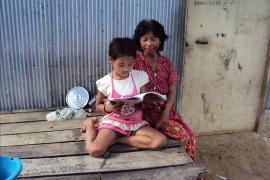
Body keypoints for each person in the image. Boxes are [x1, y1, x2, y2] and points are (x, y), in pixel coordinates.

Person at [81, 37, 167, 158]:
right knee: (95, 150)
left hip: (135, 122)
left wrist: (149, 101)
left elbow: (143, 99)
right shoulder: (105, 82)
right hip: (114, 123)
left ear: (134, 61)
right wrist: (109, 108)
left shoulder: (140, 77)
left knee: (160, 141)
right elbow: (98, 106)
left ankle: (118, 140)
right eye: (121, 65)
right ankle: (90, 123)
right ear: (111, 60)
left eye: (130, 64)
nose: (126, 69)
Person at [133, 19, 196, 161]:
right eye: (145, 39)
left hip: (163, 111)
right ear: (139, 41)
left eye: (153, 39)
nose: (149, 43)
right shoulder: (134, 61)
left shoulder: (166, 62)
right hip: (140, 112)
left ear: (160, 40)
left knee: (187, 137)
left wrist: (166, 112)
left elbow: (173, 90)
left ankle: (188, 172)